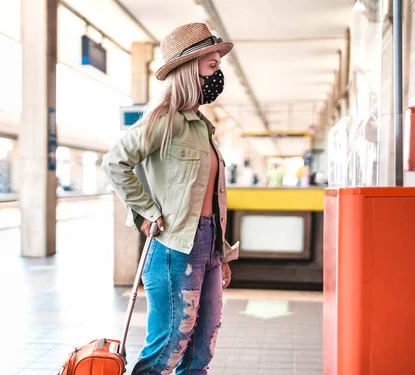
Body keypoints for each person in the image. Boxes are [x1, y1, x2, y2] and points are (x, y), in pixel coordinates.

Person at [102, 23, 239, 374]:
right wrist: (147, 210)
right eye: (212, 66)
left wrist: (220, 254)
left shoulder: (202, 126)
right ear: (190, 69)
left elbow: (209, 196)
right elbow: (115, 162)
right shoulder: (165, 120)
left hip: (207, 247)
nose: (217, 74)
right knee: (167, 348)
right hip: (175, 248)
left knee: (201, 352)